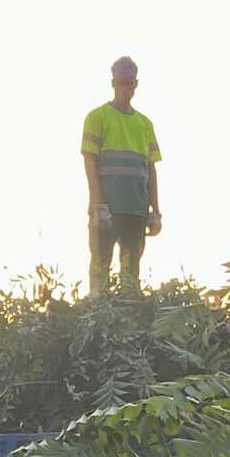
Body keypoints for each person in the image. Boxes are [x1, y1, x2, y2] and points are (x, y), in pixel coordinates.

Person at [81, 55, 163, 295]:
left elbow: (151, 169)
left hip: (136, 210)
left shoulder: (144, 124)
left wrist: (155, 211)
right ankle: (98, 318)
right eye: (121, 83)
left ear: (135, 84)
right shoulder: (97, 118)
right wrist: (98, 205)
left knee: (131, 275)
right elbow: (90, 162)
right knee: (100, 269)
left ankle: (129, 320)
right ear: (113, 83)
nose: (125, 88)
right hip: (108, 209)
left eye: (129, 83)